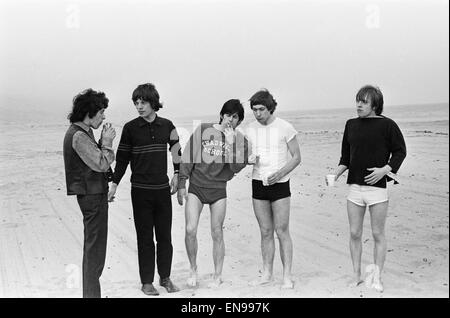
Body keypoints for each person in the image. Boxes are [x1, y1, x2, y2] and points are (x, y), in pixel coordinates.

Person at [108, 83, 181, 296]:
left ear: (153, 102)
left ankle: (165, 278)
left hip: (162, 190)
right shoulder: (130, 128)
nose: (139, 107)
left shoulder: (168, 125)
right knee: (145, 238)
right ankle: (147, 282)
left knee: (165, 237)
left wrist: (177, 175)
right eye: (136, 103)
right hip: (140, 192)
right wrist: (114, 184)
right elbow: (122, 159)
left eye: (143, 102)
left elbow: (177, 150)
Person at [333, 85, 406, 292]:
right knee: (354, 232)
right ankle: (356, 275)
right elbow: (345, 157)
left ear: (375, 104)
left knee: (377, 234)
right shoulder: (351, 125)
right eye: (357, 100)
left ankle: (376, 277)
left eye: (364, 101)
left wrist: (385, 170)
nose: (358, 105)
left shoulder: (388, 125)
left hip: (377, 190)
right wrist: (336, 173)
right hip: (354, 188)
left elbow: (400, 151)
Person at [177, 99, 251, 288]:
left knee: (217, 232)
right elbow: (188, 155)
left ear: (239, 121)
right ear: (221, 115)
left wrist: (231, 142)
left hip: (219, 189)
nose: (230, 119)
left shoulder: (242, 141)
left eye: (235, 117)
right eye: (228, 115)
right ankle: (193, 270)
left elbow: (235, 167)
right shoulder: (204, 130)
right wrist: (181, 182)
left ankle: (217, 275)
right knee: (190, 229)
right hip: (197, 186)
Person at [244, 89, 301, 289]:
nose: (257, 113)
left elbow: (296, 157)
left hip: (280, 184)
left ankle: (287, 276)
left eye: (261, 109)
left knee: (282, 230)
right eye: (254, 110)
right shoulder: (249, 129)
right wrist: (249, 159)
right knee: (265, 231)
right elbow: (245, 155)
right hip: (258, 183)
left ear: (270, 108)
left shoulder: (285, 127)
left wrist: (280, 173)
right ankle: (267, 273)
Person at [63, 88, 116, 298]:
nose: (103, 117)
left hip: (94, 195)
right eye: (101, 112)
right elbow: (102, 163)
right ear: (89, 112)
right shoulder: (78, 135)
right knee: (94, 253)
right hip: (91, 197)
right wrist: (108, 141)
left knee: (95, 251)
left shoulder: (83, 131)